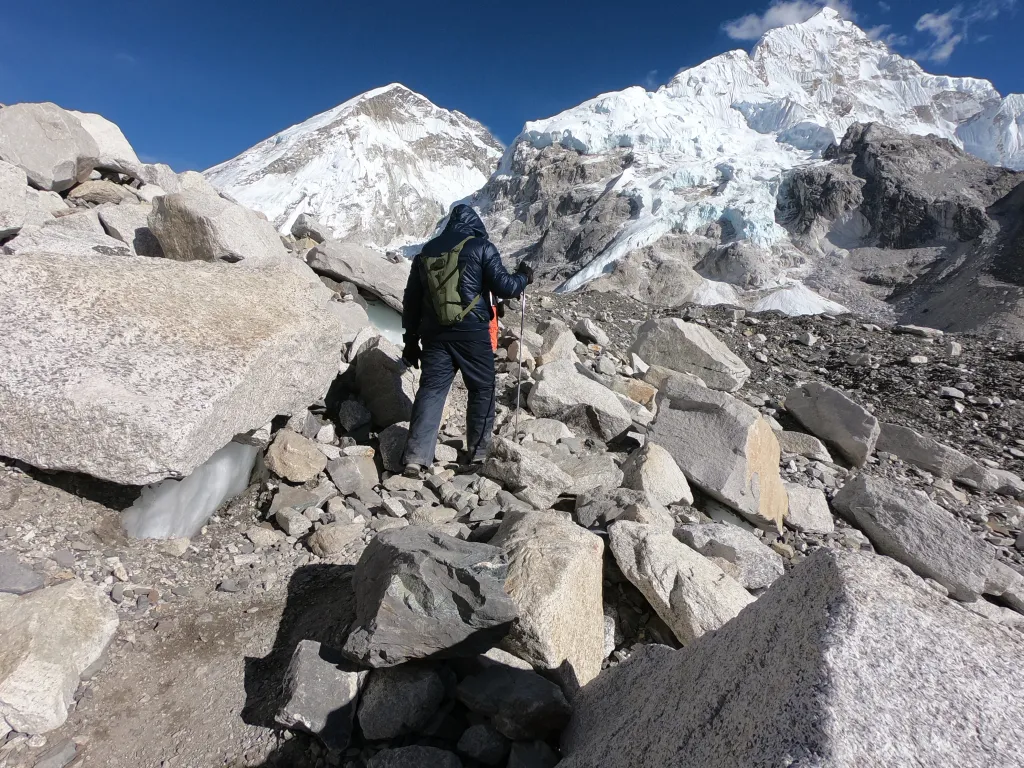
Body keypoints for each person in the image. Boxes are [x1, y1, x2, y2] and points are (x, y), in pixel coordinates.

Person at [400, 204, 533, 476]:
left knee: (432, 391)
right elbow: (505, 287)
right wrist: (524, 276)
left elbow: (411, 302)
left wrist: (411, 342)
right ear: (476, 226)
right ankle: (477, 453)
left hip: (434, 336)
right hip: (472, 334)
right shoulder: (481, 247)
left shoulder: (426, 252)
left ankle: (415, 457)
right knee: (482, 388)